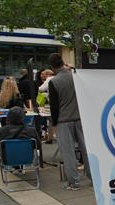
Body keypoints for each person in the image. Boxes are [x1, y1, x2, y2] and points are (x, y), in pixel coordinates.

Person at [48, 53, 90, 190]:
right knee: (86, 149)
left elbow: (54, 106)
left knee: (68, 152)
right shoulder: (75, 76)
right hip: (80, 117)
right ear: (63, 62)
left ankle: (74, 182)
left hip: (63, 120)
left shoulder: (54, 82)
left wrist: (54, 124)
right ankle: (93, 176)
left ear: (52, 66)